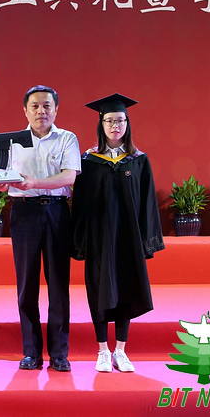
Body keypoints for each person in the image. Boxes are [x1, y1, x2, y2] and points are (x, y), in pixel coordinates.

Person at [71, 93, 164, 373]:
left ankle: (120, 351)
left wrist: (147, 241)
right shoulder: (89, 160)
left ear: (127, 123)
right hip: (99, 238)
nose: (115, 126)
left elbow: (148, 202)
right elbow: (80, 203)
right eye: (110, 120)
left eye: (120, 120)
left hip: (128, 237)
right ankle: (102, 351)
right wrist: (80, 241)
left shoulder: (138, 160)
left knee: (126, 289)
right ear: (101, 123)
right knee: (99, 291)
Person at [0, 85, 81, 371]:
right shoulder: (11, 142)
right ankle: (31, 352)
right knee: (27, 284)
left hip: (57, 211)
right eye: (34, 106)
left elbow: (69, 176)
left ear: (56, 109)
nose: (40, 111)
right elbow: (3, 179)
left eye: (47, 105)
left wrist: (34, 182)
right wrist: (0, 183)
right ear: (25, 110)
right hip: (24, 213)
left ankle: (59, 353)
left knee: (58, 284)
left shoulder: (67, 138)